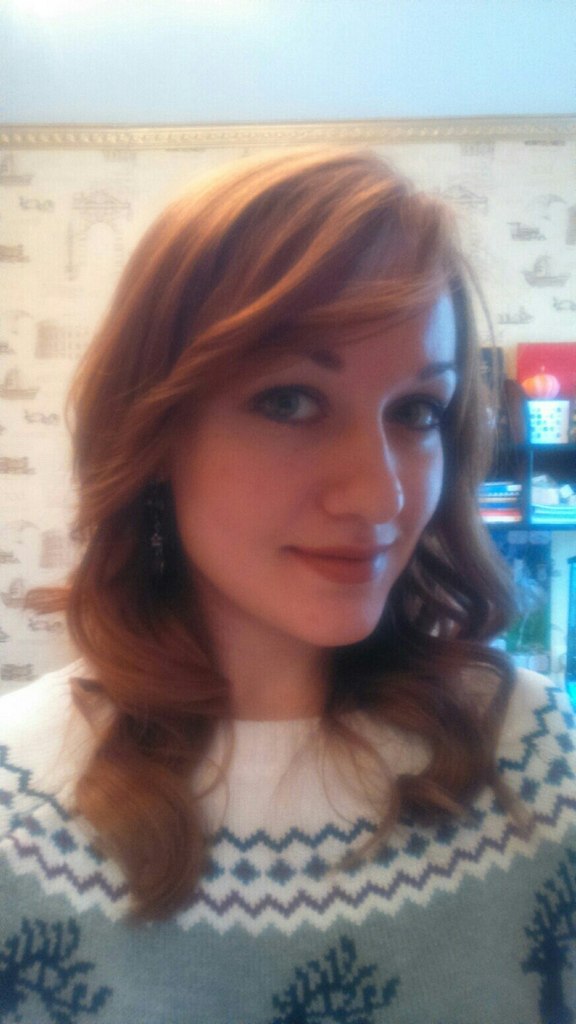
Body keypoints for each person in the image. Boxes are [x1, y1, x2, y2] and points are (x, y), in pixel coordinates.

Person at [0, 147, 574, 1024]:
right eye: (290, 402)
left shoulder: (535, 757)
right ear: (153, 433)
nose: (380, 496)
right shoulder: (17, 805)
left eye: (416, 411)